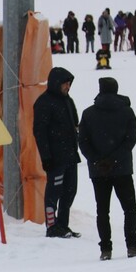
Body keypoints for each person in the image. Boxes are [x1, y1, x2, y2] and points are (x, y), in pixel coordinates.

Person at [79, 76, 136, 260]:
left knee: (102, 210)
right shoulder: (127, 112)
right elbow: (130, 140)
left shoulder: (88, 114)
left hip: (98, 171)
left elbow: (83, 142)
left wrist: (97, 161)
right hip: (122, 169)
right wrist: (115, 160)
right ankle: (132, 246)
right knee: (129, 208)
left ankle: (105, 250)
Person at [33, 65, 82, 238]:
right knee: (54, 192)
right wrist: (46, 157)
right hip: (55, 158)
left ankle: (63, 224)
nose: (67, 87)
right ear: (56, 83)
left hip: (70, 155)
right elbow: (39, 132)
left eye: (69, 84)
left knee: (70, 191)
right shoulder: (44, 102)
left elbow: (75, 124)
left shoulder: (68, 100)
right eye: (65, 84)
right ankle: (52, 226)